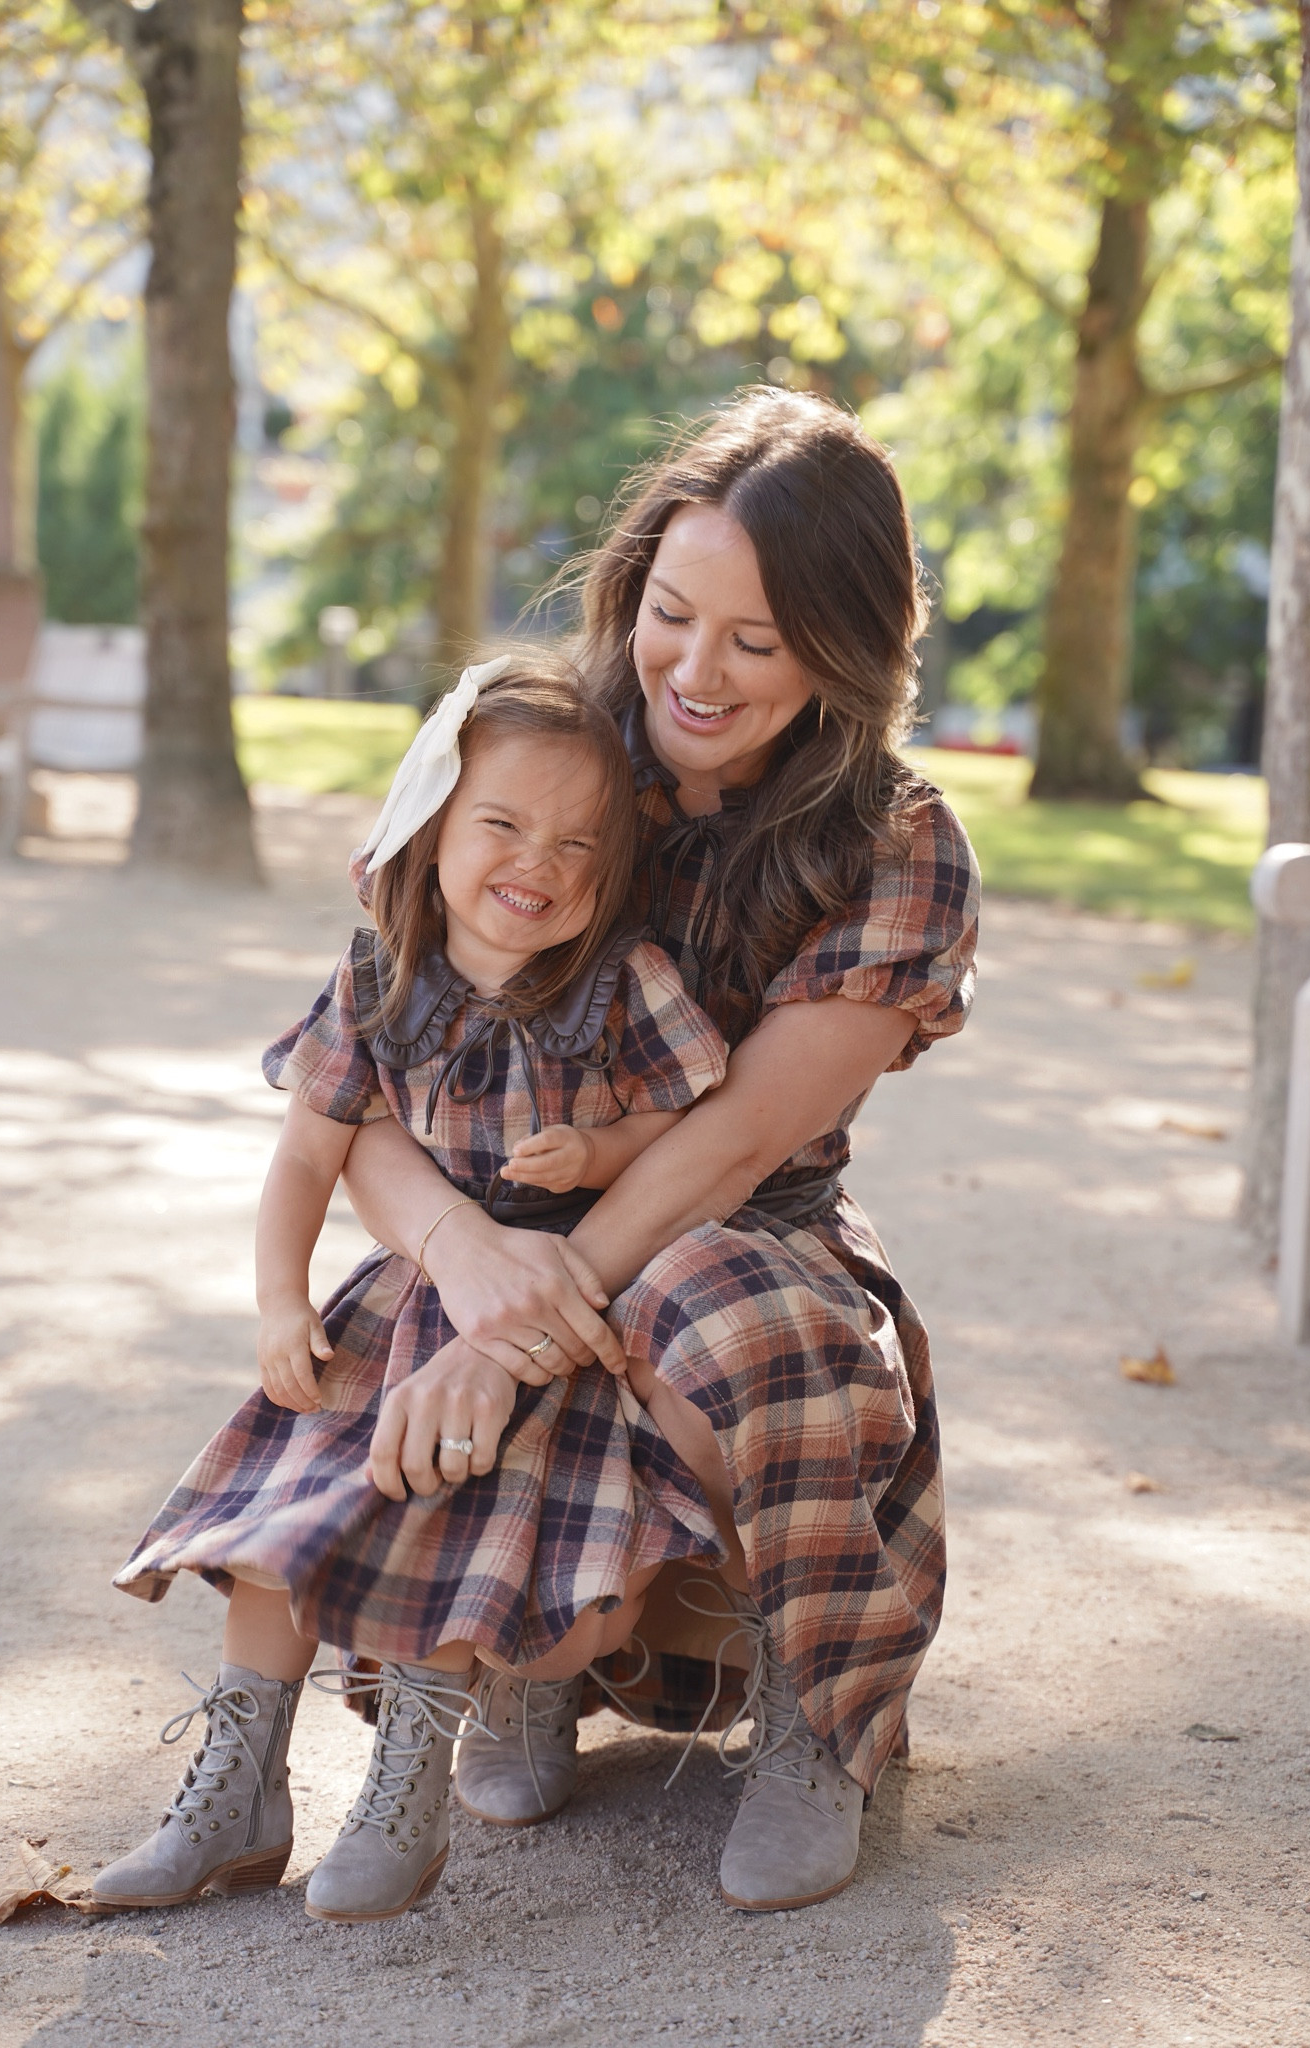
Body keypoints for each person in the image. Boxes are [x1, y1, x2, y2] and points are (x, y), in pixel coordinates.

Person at [336, 386, 980, 1914]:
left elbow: (749, 1125)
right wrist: (464, 1257)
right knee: (383, 1323)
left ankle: (812, 1712)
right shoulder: (530, 759)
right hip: (497, 1210)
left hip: (754, 1226)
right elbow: (355, 1089)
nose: (695, 671)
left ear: (843, 648)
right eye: (671, 616)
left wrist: (523, 1325)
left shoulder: (893, 840)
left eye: (756, 643)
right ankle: (514, 1665)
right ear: (631, 587)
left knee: (702, 1311)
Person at [93, 654, 729, 1923]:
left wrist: (600, 1152)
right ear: (432, 825)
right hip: (403, 1303)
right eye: (500, 822)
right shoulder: (379, 976)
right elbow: (306, 1153)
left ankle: (405, 1777)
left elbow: (692, 1123)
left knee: (444, 1514)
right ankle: (238, 1785)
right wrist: (281, 1303)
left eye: (576, 842)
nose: (536, 860)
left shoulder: (627, 982)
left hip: (553, 1313)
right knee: (289, 1515)